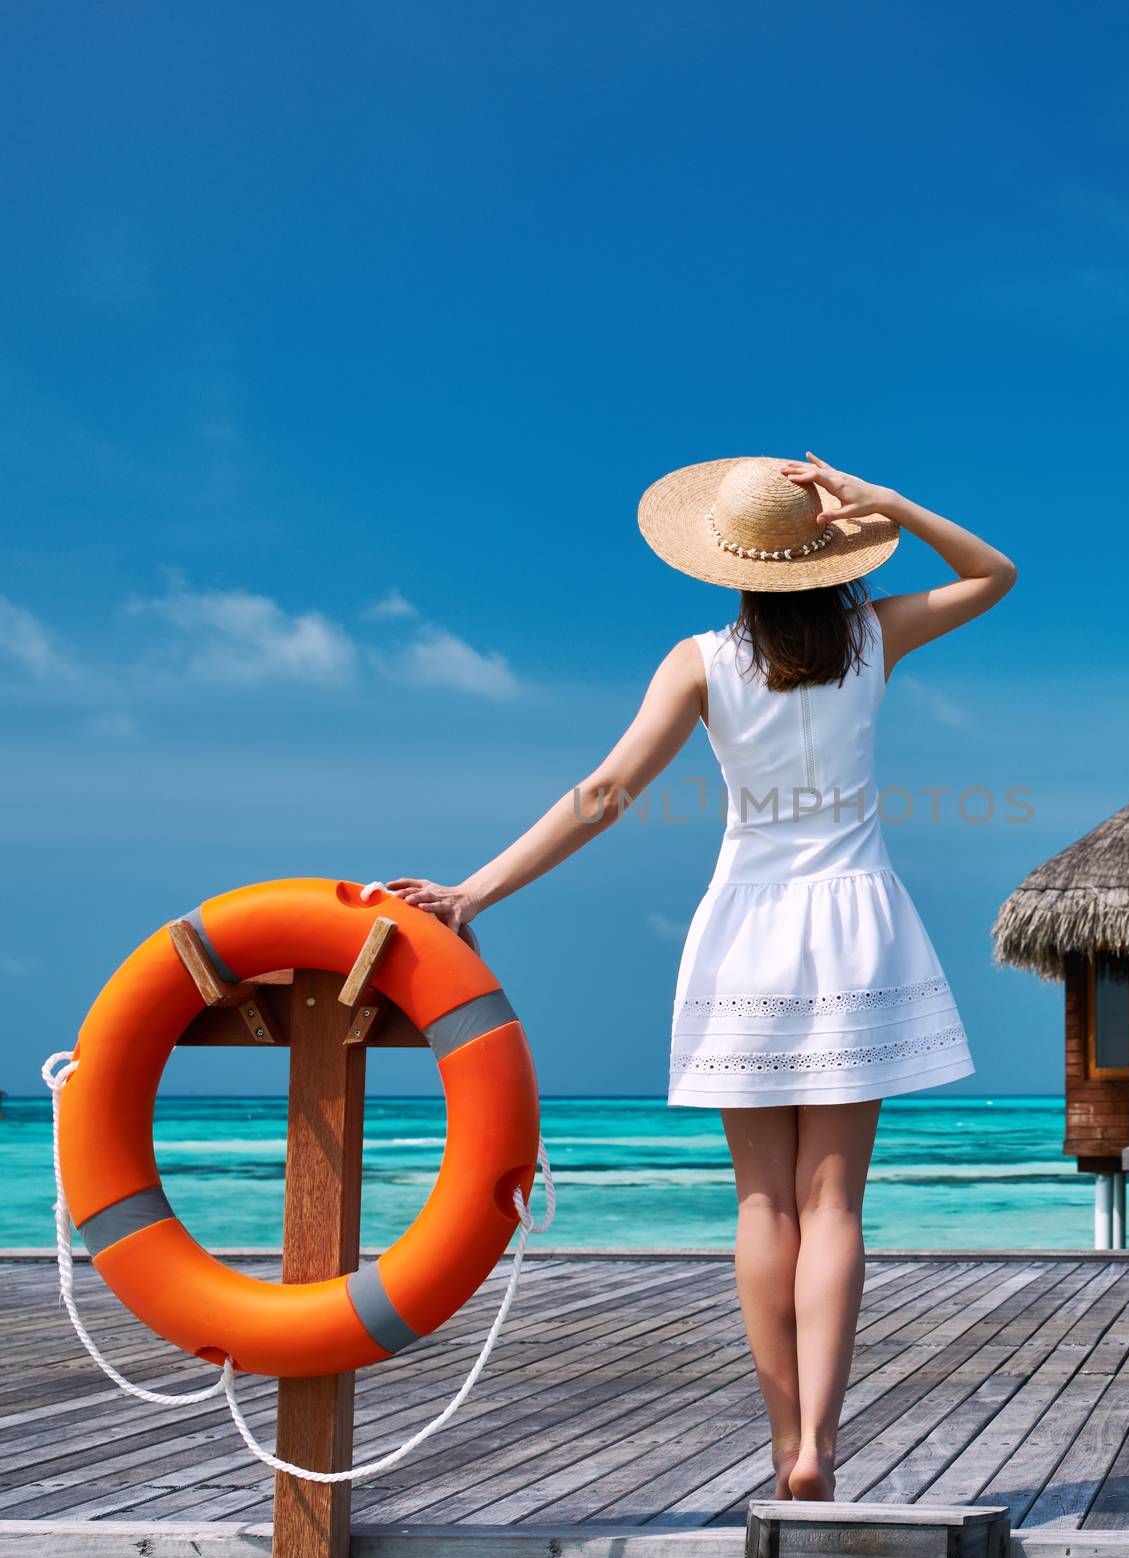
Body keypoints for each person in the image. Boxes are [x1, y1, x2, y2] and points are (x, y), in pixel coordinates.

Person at [388, 453, 1015, 1501]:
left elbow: (602, 793)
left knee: (761, 1202)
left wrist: (474, 892)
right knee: (835, 1206)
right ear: (829, 549)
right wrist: (890, 503)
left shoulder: (700, 661)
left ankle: (783, 1448)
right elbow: (993, 574)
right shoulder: (873, 637)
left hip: (746, 936)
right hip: (857, 926)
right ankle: (823, 1435)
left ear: (731, 561)